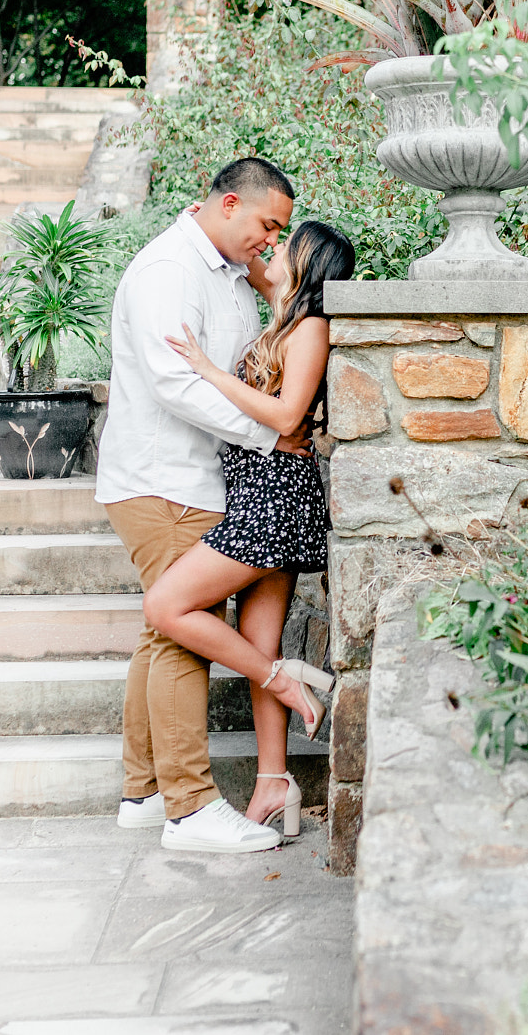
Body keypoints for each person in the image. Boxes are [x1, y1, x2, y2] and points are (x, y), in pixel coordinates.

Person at [95, 157, 302, 854]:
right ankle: (189, 808)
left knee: (164, 628)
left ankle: (143, 791)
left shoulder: (224, 273)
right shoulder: (170, 271)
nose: (271, 240)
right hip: (162, 479)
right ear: (228, 204)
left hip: (189, 479)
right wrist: (272, 435)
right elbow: (174, 383)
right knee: (188, 625)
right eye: (268, 224)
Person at [145, 216, 354, 842]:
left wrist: (210, 371)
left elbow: (289, 413)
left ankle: (284, 683)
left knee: (166, 605)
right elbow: (256, 265)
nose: (273, 250)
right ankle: (272, 784)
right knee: (257, 641)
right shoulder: (290, 315)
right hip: (261, 492)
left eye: (286, 245)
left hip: (274, 499)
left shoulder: (311, 327)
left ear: (309, 262)